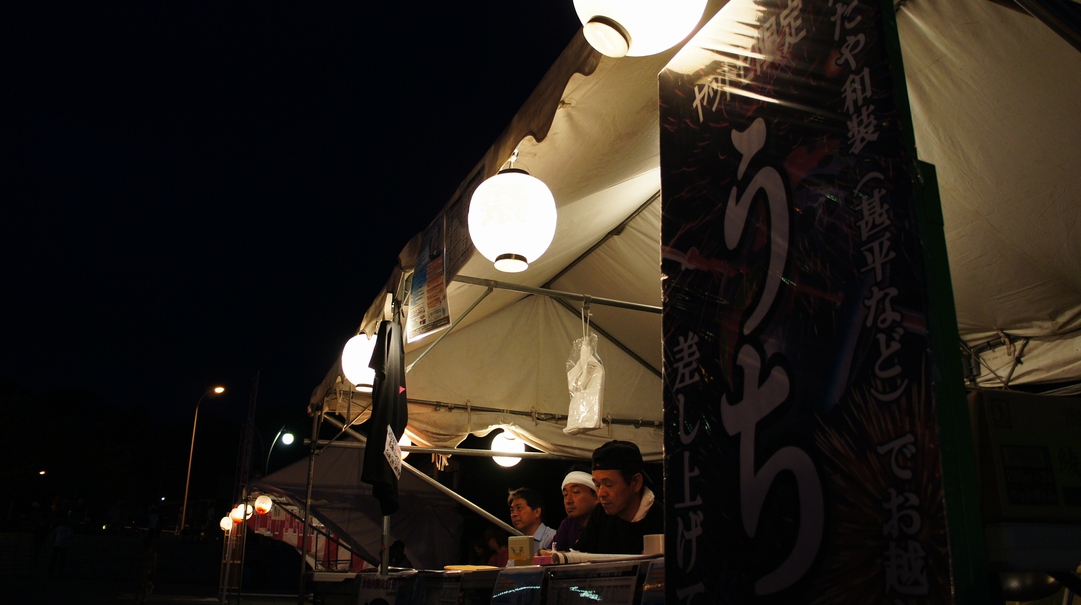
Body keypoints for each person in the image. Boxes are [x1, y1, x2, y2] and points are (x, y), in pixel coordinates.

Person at [573, 440, 663, 554]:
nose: (600, 493)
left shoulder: (662, 520)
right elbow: (579, 553)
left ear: (636, 482)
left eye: (608, 485)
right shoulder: (600, 514)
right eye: (597, 485)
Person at [550, 469, 598, 551]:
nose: (568, 501)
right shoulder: (569, 523)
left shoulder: (607, 522)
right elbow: (551, 552)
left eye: (576, 492)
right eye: (565, 495)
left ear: (596, 496)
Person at [507, 487, 556, 551]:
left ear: (537, 512)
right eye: (512, 510)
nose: (514, 514)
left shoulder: (553, 538)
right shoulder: (518, 543)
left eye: (519, 508)